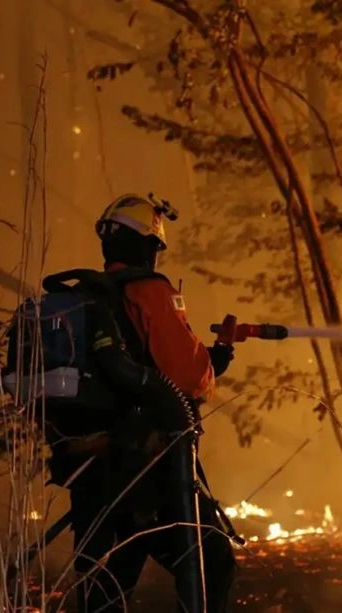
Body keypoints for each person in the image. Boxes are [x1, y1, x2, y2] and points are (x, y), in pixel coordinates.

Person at [62, 193, 237, 613]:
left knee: (106, 581)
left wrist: (212, 360)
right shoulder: (148, 290)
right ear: (148, 246)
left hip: (93, 465)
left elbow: (137, 366)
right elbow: (189, 378)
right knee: (211, 563)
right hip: (149, 467)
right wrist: (211, 365)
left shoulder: (86, 296)